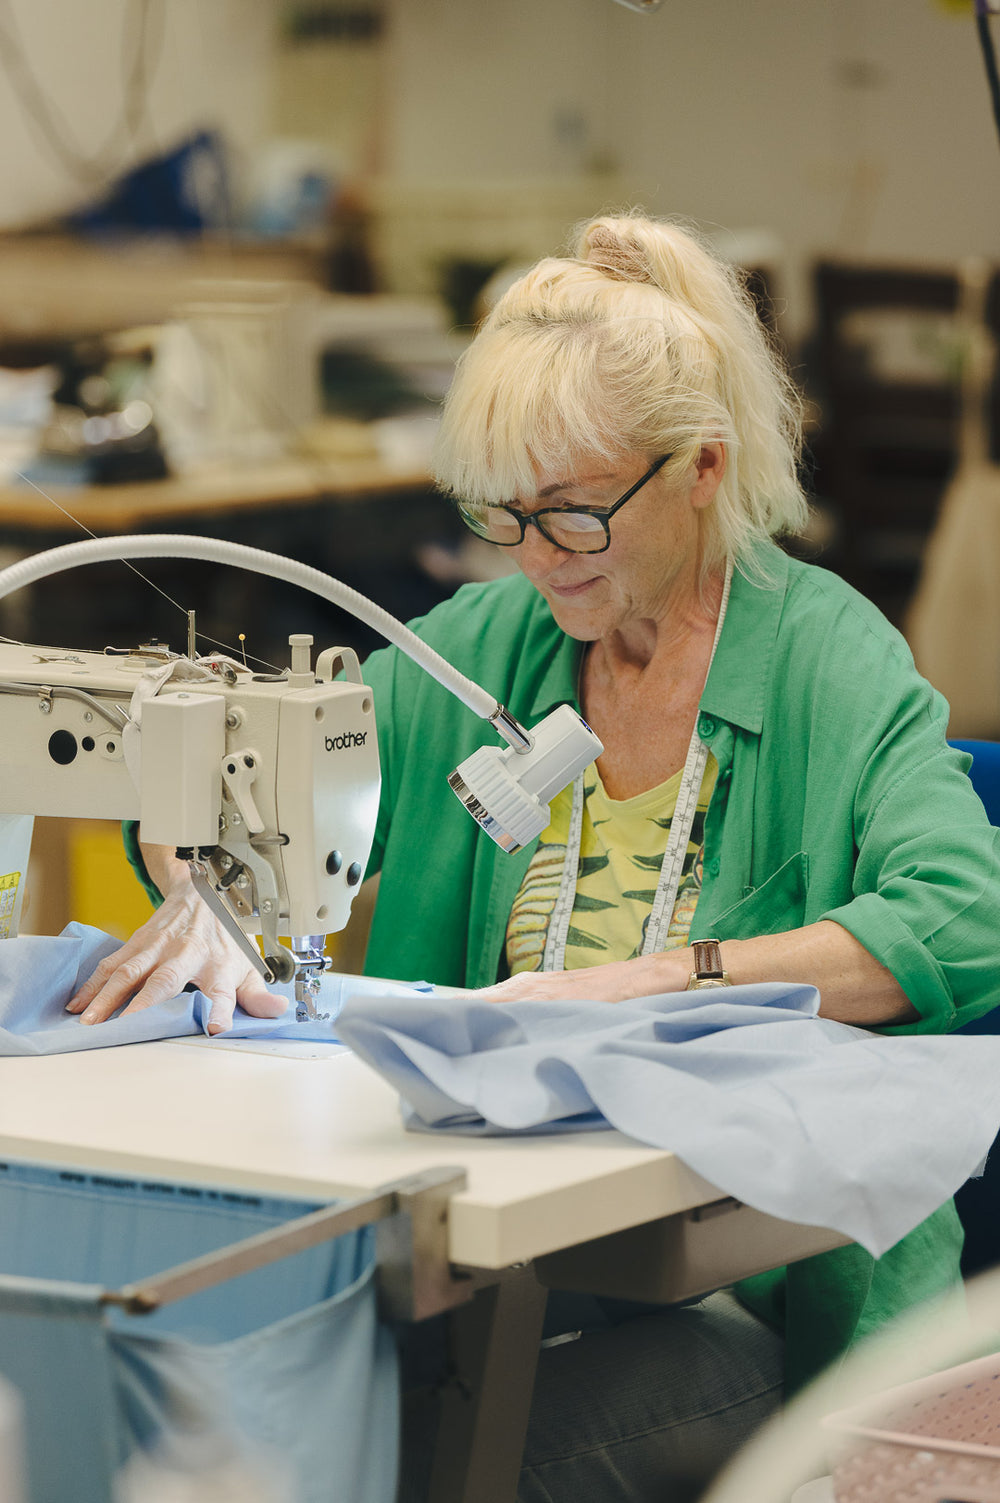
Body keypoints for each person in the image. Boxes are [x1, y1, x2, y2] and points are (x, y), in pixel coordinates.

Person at [71, 214, 1000, 1501]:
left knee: (409, 1463)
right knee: (206, 1409)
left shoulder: (823, 659)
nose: (532, 557)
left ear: (702, 468)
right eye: (502, 512)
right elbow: (252, 788)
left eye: (571, 515)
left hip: (749, 1291)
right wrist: (203, 875)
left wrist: (661, 977)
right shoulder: (488, 646)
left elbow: (965, 918)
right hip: (512, 1257)